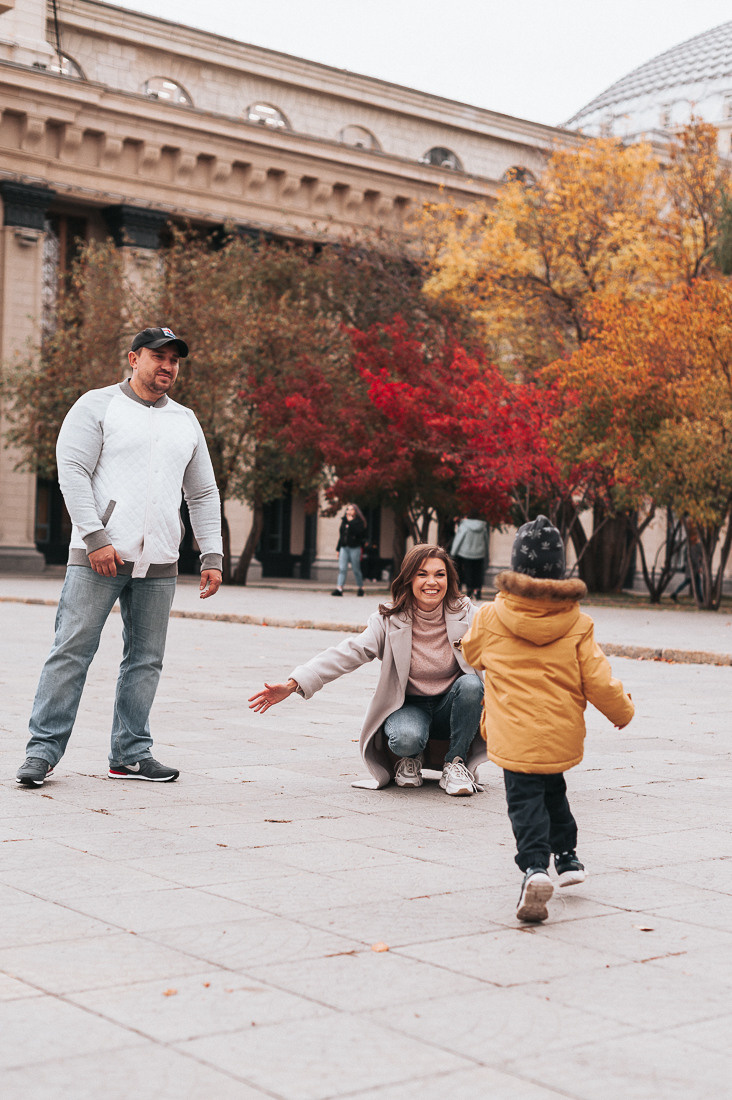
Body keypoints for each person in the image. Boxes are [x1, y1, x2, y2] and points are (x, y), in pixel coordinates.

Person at [16, 327, 223, 788]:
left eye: (174, 359)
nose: (167, 365)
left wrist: (212, 553)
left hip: (161, 563)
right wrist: (94, 536)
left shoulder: (186, 420)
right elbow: (72, 470)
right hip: (97, 559)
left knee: (146, 659)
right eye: (158, 356)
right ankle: (41, 753)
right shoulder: (96, 405)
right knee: (71, 653)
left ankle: (130, 753)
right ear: (134, 359)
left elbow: (204, 492)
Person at [460, 515, 634, 923]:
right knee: (553, 791)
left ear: (516, 567)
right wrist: (622, 710)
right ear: (559, 571)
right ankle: (569, 858)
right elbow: (599, 679)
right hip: (559, 734)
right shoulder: (578, 622)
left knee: (524, 802)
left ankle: (535, 868)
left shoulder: (489, 617)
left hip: (512, 734)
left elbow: (471, 656)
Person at [250, 543, 486, 794]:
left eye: (440, 574)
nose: (432, 582)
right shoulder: (389, 619)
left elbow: (503, 646)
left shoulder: (467, 614)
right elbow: (348, 652)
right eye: (422, 574)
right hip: (407, 705)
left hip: (452, 707)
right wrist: (293, 684)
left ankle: (456, 764)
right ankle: (409, 758)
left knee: (472, 685)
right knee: (405, 739)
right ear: (409, 578)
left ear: (449, 579)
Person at [451, 514, 490, 600]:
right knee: (478, 572)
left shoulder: (464, 525)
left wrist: (453, 552)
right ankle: (477, 590)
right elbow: (486, 540)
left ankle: (469, 590)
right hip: (479, 553)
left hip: (464, 553)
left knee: (467, 571)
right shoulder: (482, 526)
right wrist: (486, 552)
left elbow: (459, 539)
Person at [331, 503, 367, 596]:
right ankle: (339, 588)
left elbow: (359, 534)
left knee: (356, 569)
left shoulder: (359, 522)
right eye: (348, 509)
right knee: (342, 568)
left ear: (356, 511)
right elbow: (342, 535)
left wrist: (350, 523)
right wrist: (338, 549)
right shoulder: (344, 521)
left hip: (355, 548)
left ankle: (360, 588)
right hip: (344, 547)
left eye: (351, 509)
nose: (349, 511)